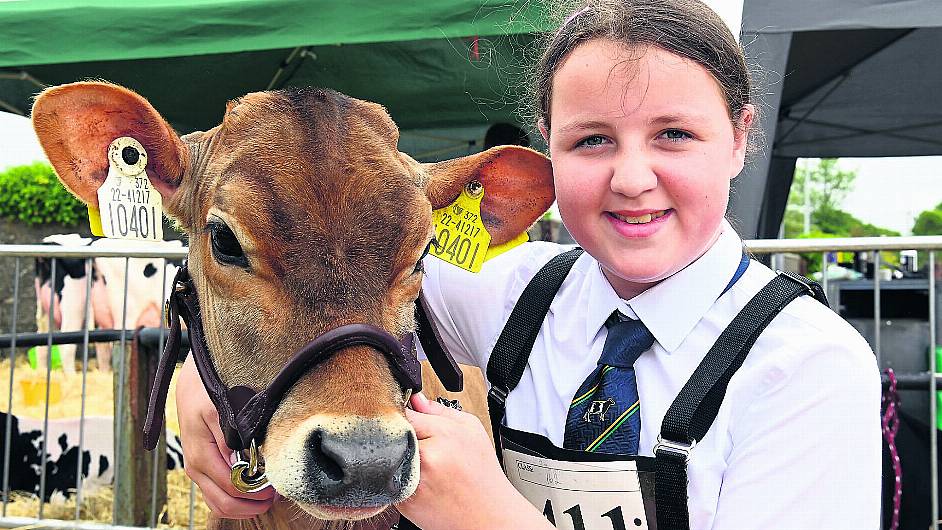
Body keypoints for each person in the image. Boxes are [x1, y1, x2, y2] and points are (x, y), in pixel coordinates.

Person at [174, 0, 881, 528]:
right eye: (593, 141)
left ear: (738, 139)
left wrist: (488, 516)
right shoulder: (511, 296)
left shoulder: (807, 365)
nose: (632, 177)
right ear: (546, 149)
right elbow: (322, 287)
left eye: (674, 134)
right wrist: (204, 390)